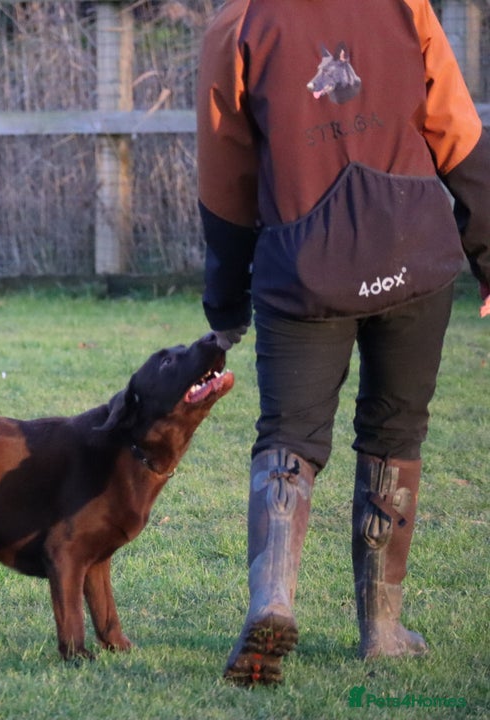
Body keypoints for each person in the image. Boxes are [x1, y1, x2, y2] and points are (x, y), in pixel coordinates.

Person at [195, 0, 490, 686]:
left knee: (288, 435)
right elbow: (456, 132)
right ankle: (382, 631)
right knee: (395, 433)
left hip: (304, 269)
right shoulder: (404, 4)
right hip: (414, 252)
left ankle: (273, 600)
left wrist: (225, 301)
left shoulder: (236, 24)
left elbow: (226, 177)